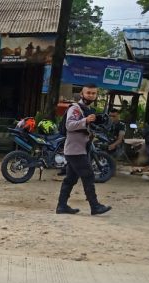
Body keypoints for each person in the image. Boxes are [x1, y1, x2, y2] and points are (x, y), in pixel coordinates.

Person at [56, 84, 111, 216]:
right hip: (75, 150)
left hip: (78, 149)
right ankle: (95, 206)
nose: (91, 95)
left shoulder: (87, 109)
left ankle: (62, 206)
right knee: (88, 175)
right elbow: (69, 125)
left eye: (93, 93)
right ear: (82, 94)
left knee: (70, 179)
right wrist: (86, 120)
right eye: (88, 93)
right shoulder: (75, 108)